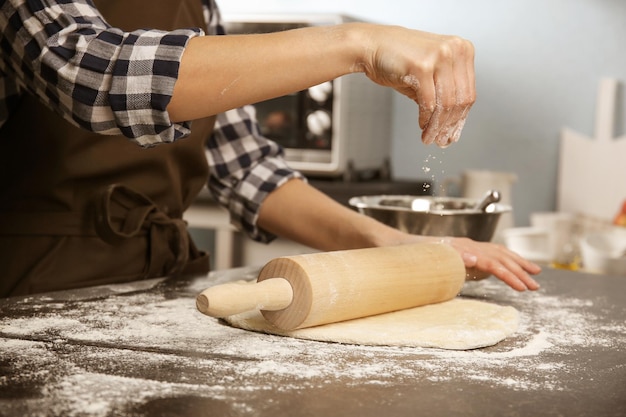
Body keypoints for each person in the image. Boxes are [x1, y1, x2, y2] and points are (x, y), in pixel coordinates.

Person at [0, 0, 540, 297]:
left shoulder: (196, 6)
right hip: (30, 293)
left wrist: (394, 242)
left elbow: (245, 167)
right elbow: (99, 74)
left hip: (156, 288)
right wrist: (357, 44)